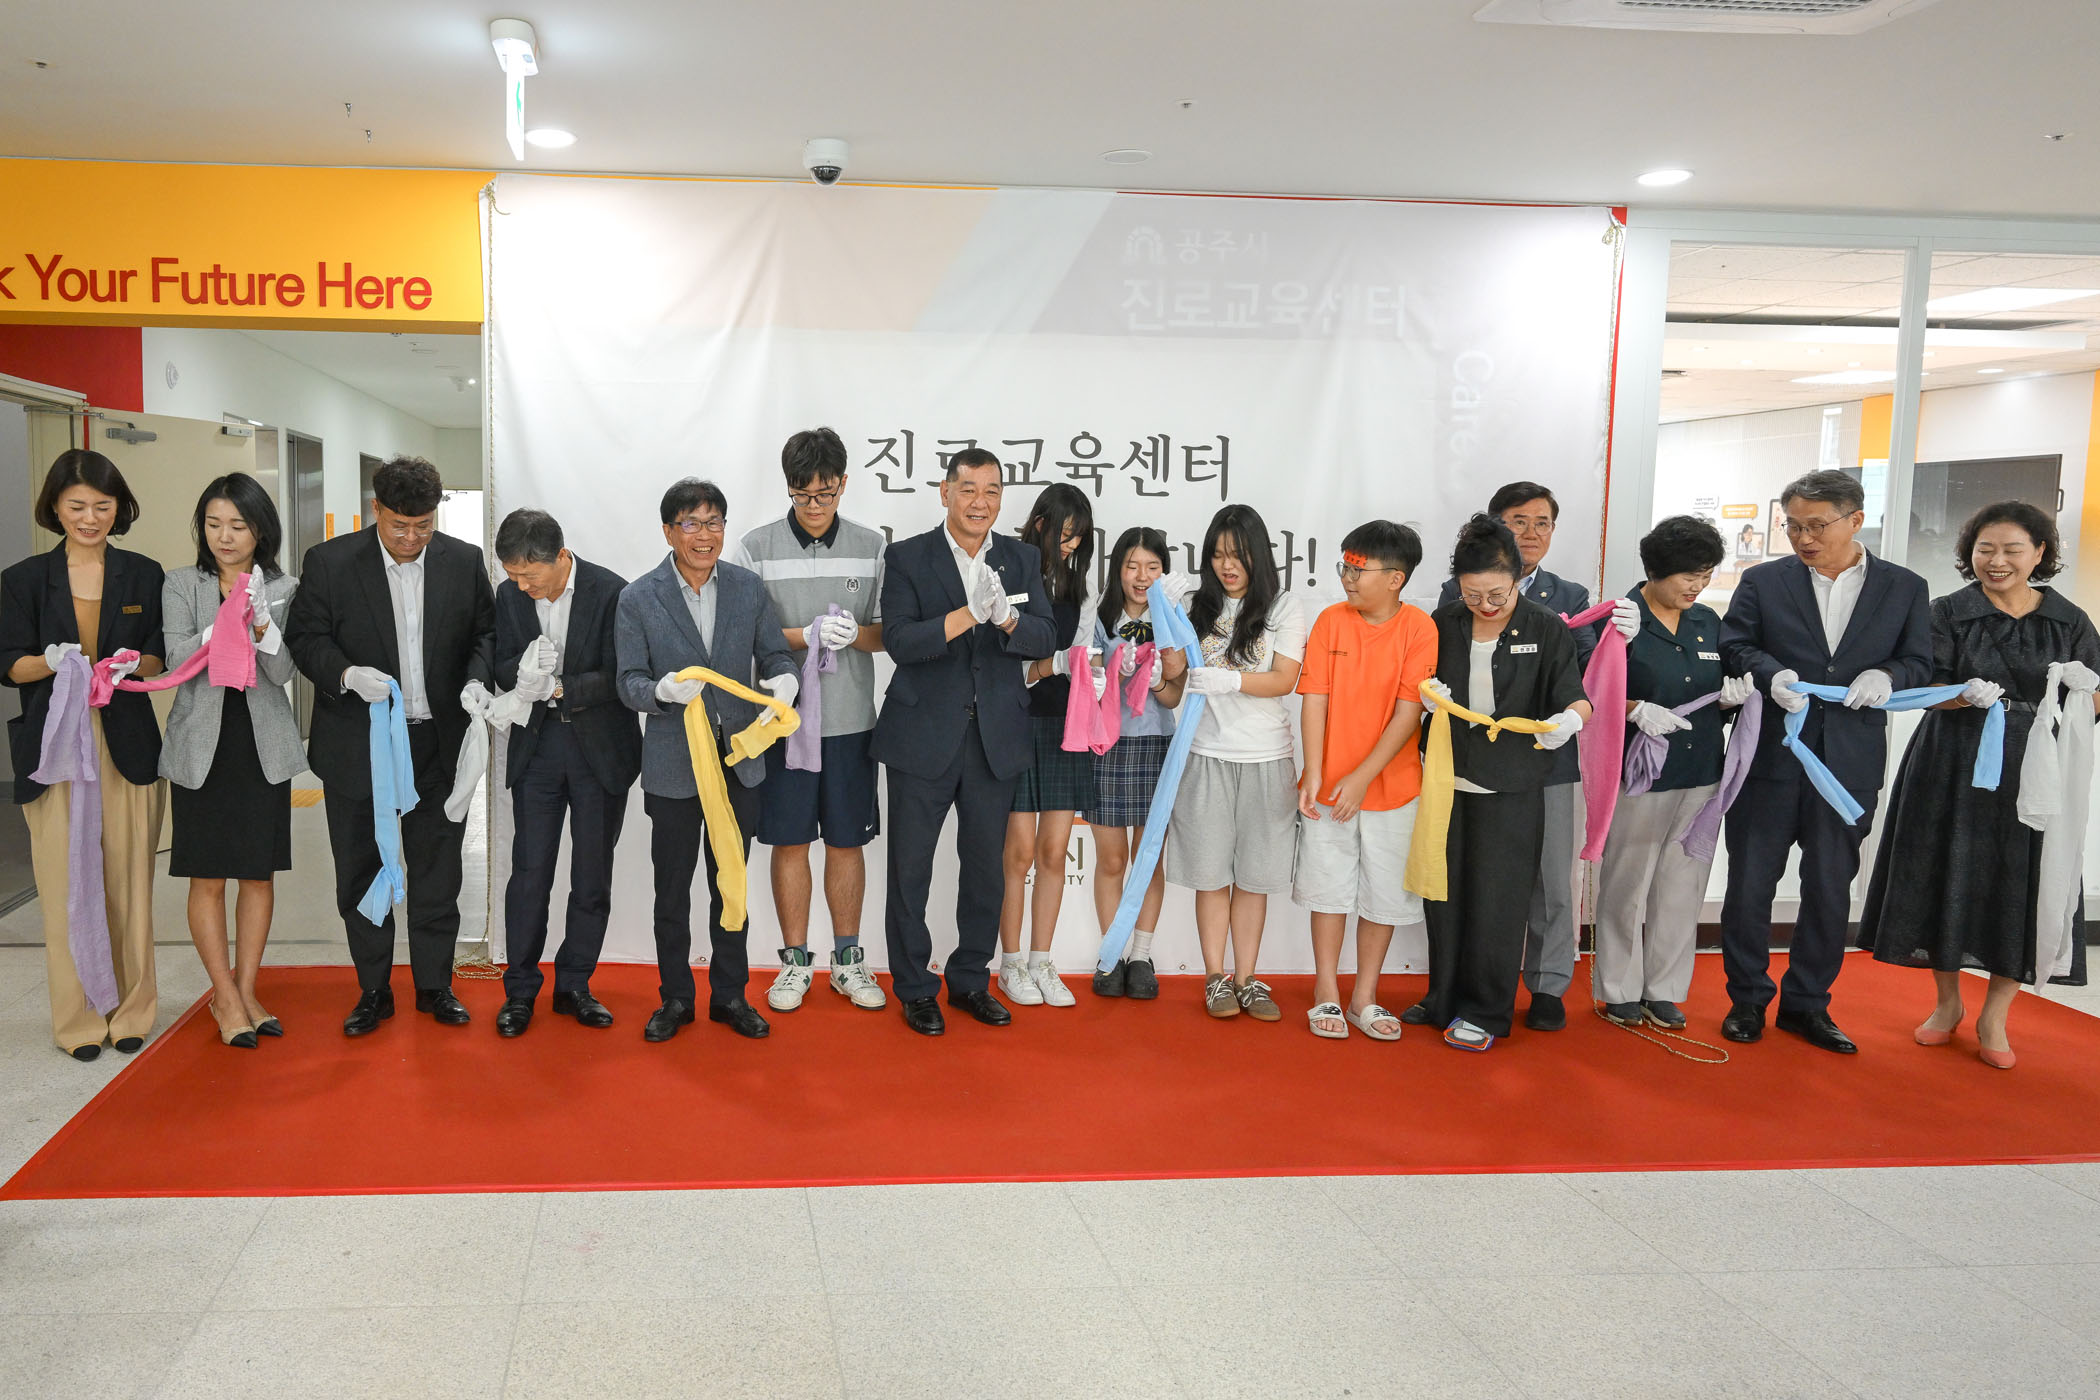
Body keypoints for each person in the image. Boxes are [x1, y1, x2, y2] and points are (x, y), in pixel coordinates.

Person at [1859, 502, 2100, 1069]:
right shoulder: (1947, 612)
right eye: (1985, 549)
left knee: (2022, 883)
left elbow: (2094, 700)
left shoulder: (2069, 620)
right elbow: (1924, 687)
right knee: (1942, 872)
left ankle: (1996, 1015)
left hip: (2035, 772)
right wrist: (1962, 694)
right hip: (1952, 763)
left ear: (2039, 554)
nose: (1997, 560)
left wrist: (2082, 691)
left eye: (2013, 549)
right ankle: (1947, 1003)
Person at [1719, 468, 1932, 1054]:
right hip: (1770, 755)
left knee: (1830, 888)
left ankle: (1808, 1004)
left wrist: (1887, 675)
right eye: (1792, 526)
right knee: (1749, 885)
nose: (1803, 538)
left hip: (1849, 762)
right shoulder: (1763, 581)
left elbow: (1920, 660)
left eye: (1816, 525)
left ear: (1855, 520)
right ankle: (1747, 999)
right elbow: (1734, 646)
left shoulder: (1904, 587)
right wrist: (1770, 674)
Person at [285, 455, 496, 1036]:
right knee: (361, 866)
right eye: (399, 525)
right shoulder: (331, 562)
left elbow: (484, 632)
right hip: (359, 742)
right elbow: (305, 637)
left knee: (437, 868)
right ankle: (374, 990)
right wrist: (346, 674)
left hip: (437, 741)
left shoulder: (463, 561)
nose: (411, 538)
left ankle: (435, 985)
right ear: (375, 509)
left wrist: (476, 679)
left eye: (423, 525)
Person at [872, 448, 1057, 1036]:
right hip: (921, 736)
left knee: (984, 871)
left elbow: (1045, 637)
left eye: (992, 491)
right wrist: (965, 615)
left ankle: (971, 980)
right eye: (969, 489)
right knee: (910, 872)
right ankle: (914, 988)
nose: (981, 502)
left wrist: (1006, 619)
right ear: (945, 492)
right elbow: (899, 640)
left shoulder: (1021, 558)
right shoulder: (907, 556)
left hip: (995, 739)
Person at [616, 477, 799, 1043]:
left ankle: (730, 995)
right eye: (691, 523)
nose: (704, 535)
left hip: (738, 760)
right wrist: (660, 691)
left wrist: (785, 679)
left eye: (714, 522)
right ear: (669, 531)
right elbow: (628, 682)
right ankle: (675, 997)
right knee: (672, 890)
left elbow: (773, 653)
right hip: (673, 766)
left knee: (731, 884)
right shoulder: (638, 597)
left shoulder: (746, 587)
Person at [0, 451, 166, 1061]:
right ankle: (76, 1021)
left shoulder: (143, 574)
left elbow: (158, 654)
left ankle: (133, 1010)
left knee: (130, 884)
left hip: (126, 745)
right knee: (64, 884)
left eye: (102, 505)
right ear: (55, 508)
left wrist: (130, 665)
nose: (90, 518)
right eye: (77, 506)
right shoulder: (22, 579)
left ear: (118, 508)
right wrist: (52, 662)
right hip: (54, 749)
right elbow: (8, 665)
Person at [1414, 515, 1590, 1052]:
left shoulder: (1545, 626)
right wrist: (1426, 698)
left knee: (1499, 902)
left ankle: (1486, 1011)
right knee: (1444, 896)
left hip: (1513, 783)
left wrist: (1569, 722)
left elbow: (1575, 696)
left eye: (1497, 594)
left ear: (1517, 579)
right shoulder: (1445, 622)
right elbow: (1418, 681)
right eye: (1473, 595)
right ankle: (1442, 997)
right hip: (1449, 777)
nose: (1486, 605)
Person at [728, 429, 888, 1014]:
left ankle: (848, 961)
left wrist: (855, 634)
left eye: (825, 493)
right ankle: (794, 963)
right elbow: (743, 635)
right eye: (802, 494)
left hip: (850, 722)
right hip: (781, 724)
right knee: (790, 841)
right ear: (788, 488)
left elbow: (884, 633)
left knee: (847, 842)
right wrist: (805, 635)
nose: (814, 505)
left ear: (844, 484)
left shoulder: (872, 546)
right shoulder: (756, 547)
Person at [487, 509, 642, 1037]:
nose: (522, 586)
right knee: (529, 872)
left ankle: (575, 984)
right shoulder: (509, 596)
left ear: (560, 557)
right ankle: (520, 990)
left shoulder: (612, 591)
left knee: (592, 874)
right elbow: (499, 660)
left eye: (529, 575)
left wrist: (558, 687)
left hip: (599, 749)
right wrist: (521, 676)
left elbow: (623, 673)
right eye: (513, 575)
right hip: (538, 749)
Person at [1593, 516, 1752, 1029]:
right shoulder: (1621, 618)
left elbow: (1715, 686)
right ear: (1655, 571)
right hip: (1642, 772)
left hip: (1701, 768)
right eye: (1688, 575)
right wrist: (1635, 707)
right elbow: (1589, 692)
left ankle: (1663, 990)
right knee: (1627, 881)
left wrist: (1730, 701)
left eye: (1705, 575)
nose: (1697, 585)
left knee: (1682, 885)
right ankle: (1619, 988)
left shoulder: (1707, 620)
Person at [162, 473, 302, 1048]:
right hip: (202, 746)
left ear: (260, 530)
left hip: (260, 745)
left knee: (257, 874)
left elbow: (283, 670)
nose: (224, 536)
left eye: (238, 525)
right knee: (207, 875)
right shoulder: (181, 583)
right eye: (214, 524)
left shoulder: (285, 587)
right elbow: (175, 660)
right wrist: (222, 624)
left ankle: (246, 991)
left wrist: (261, 618)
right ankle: (222, 995)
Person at [1162, 504, 1307, 1023]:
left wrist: (1233, 680)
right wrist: (1164, 618)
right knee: (1211, 876)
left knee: (1253, 878)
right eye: (1219, 555)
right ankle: (1215, 977)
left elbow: (1285, 679)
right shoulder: (1193, 606)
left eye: (1238, 554)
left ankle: (1247, 979)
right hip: (1205, 755)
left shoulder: (1284, 606)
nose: (1228, 565)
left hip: (1267, 758)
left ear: (1258, 555)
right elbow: (1174, 685)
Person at [1293, 520, 1437, 1041]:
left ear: (1396, 578)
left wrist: (1362, 778)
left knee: (1383, 896)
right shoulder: (1331, 620)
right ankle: (1326, 990)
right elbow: (1314, 700)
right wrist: (1315, 771)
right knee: (1328, 891)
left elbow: (1408, 713)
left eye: (1358, 570)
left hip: (1394, 790)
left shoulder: (1419, 628)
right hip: (1330, 789)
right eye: (1345, 567)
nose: (1348, 578)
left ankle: (1365, 996)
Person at [1000, 483, 1097, 1009]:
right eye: (1065, 533)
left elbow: (1081, 657)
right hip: (1015, 722)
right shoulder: (1007, 572)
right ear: (1040, 523)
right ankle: (1011, 963)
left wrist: (1095, 672)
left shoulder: (1082, 590)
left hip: (1066, 727)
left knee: (1054, 851)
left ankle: (1042, 960)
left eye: (1079, 537)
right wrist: (1045, 666)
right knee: (1018, 853)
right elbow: (998, 664)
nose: (1071, 545)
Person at [1087, 526, 1187, 999]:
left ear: (1164, 572)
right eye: (1132, 566)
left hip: (1155, 746)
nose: (1142, 576)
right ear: (1118, 570)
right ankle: (1111, 956)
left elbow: (1174, 697)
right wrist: (1110, 674)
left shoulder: (1174, 618)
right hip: (1106, 745)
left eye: (1152, 567)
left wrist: (1155, 681)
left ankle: (1142, 956)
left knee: (1147, 860)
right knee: (1111, 860)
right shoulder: (1098, 615)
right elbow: (1084, 686)